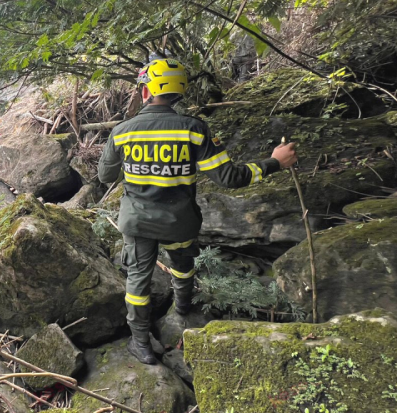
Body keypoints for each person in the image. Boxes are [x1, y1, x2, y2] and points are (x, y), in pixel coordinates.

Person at [97, 58, 298, 365]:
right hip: (179, 223)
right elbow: (230, 177)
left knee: (137, 279)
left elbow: (104, 177)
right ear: (178, 92)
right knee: (182, 263)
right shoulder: (194, 130)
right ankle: (182, 307)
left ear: (147, 91)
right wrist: (274, 162)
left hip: (137, 223)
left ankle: (141, 345)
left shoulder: (122, 132)